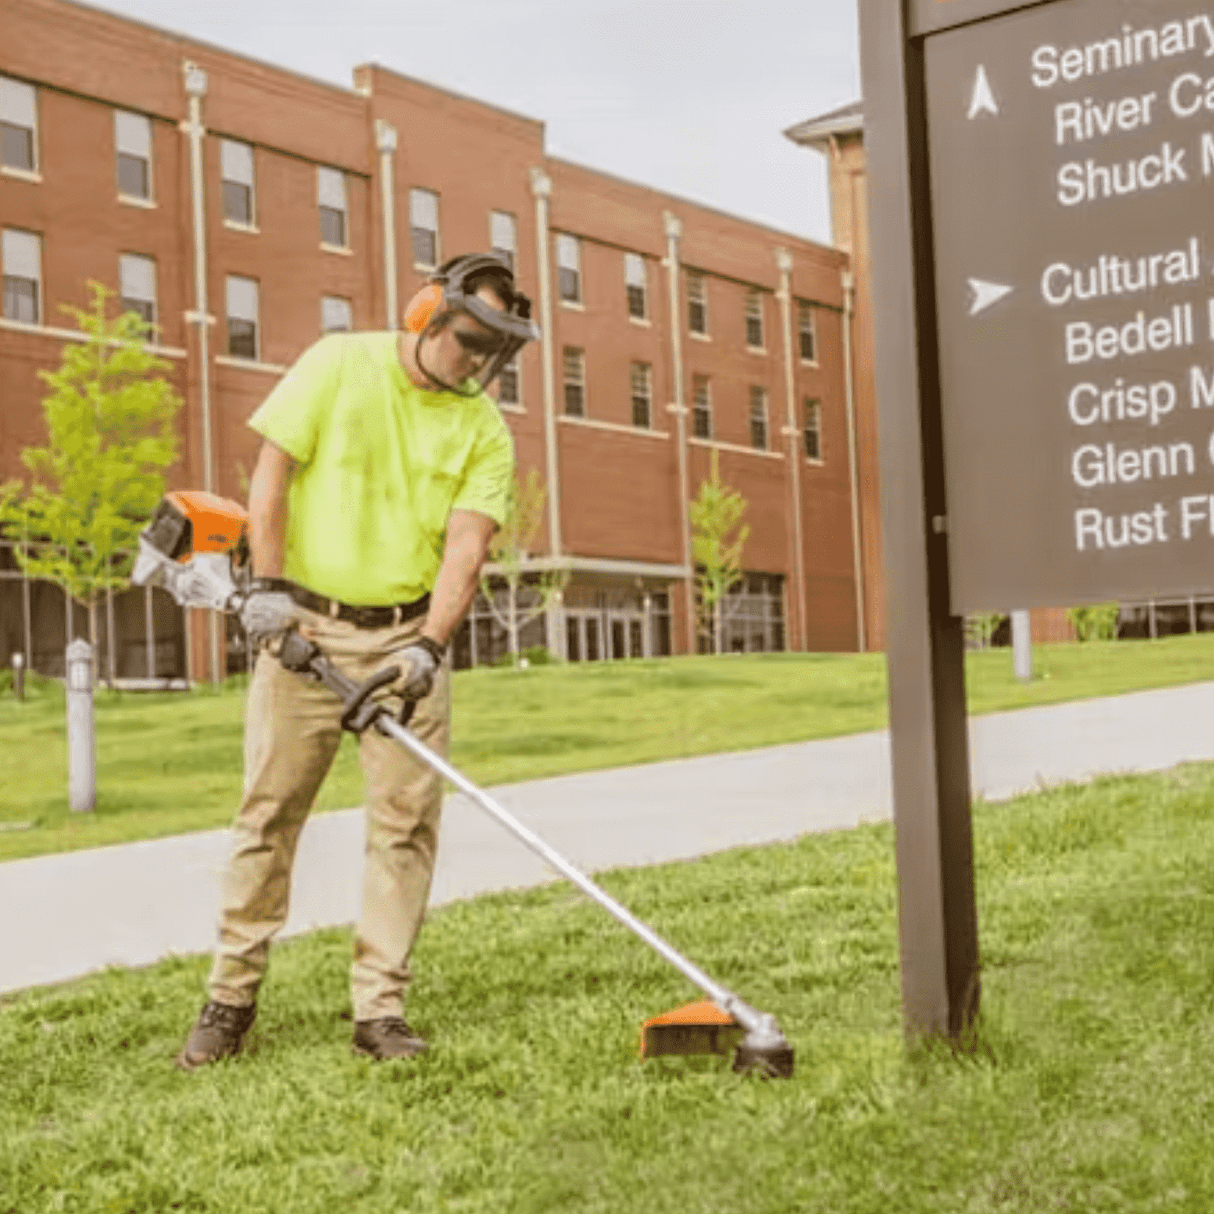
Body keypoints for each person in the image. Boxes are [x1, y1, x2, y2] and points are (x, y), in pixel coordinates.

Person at [176, 254, 538, 1069]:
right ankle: (230, 998)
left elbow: (466, 549)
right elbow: (272, 476)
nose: (477, 363)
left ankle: (380, 1010)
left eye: (494, 351)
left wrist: (427, 649)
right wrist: (267, 592)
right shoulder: (339, 363)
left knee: (405, 824)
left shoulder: (484, 430)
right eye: (470, 341)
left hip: (407, 639)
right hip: (302, 620)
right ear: (427, 315)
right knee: (268, 815)